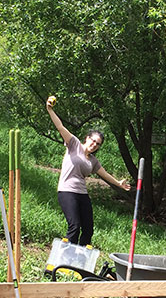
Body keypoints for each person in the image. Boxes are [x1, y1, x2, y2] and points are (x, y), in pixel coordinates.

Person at [46, 95, 131, 246]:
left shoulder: (93, 160)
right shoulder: (74, 144)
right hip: (67, 191)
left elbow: (104, 175)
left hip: (82, 194)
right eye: (93, 140)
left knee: (88, 229)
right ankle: (65, 261)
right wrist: (50, 110)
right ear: (87, 138)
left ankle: (80, 260)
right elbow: (60, 127)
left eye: (97, 144)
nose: (94, 144)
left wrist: (119, 183)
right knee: (74, 226)